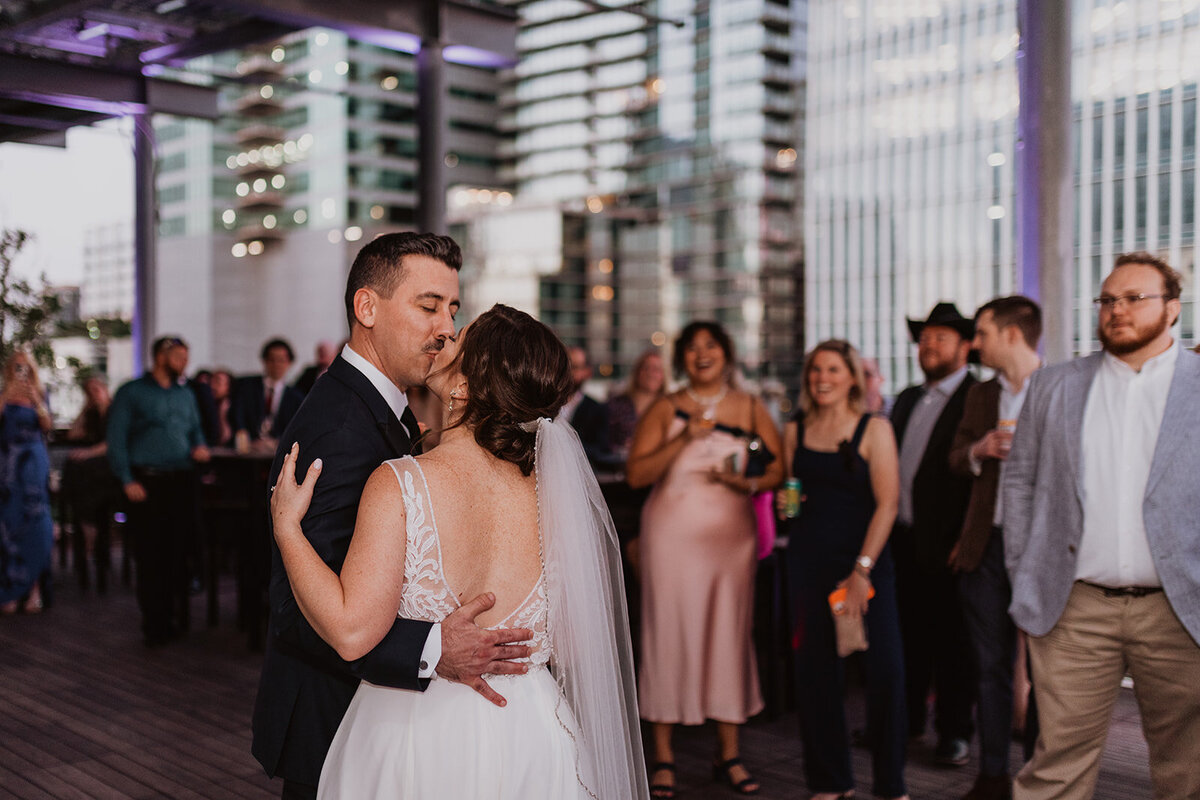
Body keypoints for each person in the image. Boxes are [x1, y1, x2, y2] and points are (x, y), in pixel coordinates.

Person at [270, 304, 647, 799]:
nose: (443, 337)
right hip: (531, 735)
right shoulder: (557, 498)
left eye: (458, 340)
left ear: (466, 387)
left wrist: (287, 530)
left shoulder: (401, 484)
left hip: (416, 736)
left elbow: (350, 632)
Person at [250, 233, 534, 800]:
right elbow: (295, 606)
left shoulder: (383, 410)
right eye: (428, 306)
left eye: (452, 309)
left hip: (395, 726)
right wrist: (432, 650)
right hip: (334, 721)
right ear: (367, 308)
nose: (446, 328)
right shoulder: (339, 426)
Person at [1003, 253, 1200, 800]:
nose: (1117, 310)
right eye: (1109, 299)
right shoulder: (1053, 386)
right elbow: (1019, 482)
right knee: (1056, 765)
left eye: (1135, 298)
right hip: (1074, 609)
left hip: (1181, 610)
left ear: (1172, 308)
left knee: (1189, 766)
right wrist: (1024, 572)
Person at [627, 320, 784, 798]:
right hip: (670, 539)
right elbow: (636, 474)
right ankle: (665, 756)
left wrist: (750, 483)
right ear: (682, 359)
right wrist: (684, 438)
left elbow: (779, 468)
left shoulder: (750, 406)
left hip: (729, 541)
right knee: (667, 635)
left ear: (726, 353)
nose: (701, 354)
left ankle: (729, 753)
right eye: (692, 348)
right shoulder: (665, 407)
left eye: (710, 346)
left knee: (727, 635)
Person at [783, 339, 907, 800]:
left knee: (886, 674)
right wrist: (786, 506)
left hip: (867, 567)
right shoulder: (794, 429)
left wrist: (862, 570)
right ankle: (830, 781)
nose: (822, 378)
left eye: (833, 369)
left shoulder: (875, 429)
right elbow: (794, 500)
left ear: (852, 377)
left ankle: (892, 785)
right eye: (816, 369)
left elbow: (889, 505)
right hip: (808, 563)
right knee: (816, 676)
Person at [948, 296, 1043, 800]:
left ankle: (1038, 777)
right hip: (985, 548)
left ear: (1011, 334)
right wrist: (979, 450)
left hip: (1043, 550)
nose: (975, 343)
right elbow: (955, 458)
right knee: (990, 666)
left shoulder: (1061, 387)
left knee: (1047, 671)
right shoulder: (981, 395)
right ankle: (991, 777)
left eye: (982, 333)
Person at [890, 302, 977, 764]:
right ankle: (905, 725)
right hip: (903, 538)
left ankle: (955, 732)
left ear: (965, 346)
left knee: (953, 644)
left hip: (949, 544)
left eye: (940, 338)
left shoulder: (978, 398)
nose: (929, 345)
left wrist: (967, 538)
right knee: (907, 637)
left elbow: (984, 480)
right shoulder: (905, 398)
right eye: (924, 338)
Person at [107, 336, 210, 644]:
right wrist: (127, 479)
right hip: (146, 482)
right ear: (161, 357)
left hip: (181, 479)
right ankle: (154, 622)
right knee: (151, 554)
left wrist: (200, 448)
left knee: (180, 551)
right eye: (179, 356)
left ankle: (178, 618)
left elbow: (195, 432)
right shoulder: (132, 392)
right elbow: (116, 440)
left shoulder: (185, 395)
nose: (184, 363)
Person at [0, 351, 54, 615]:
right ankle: (10, 589)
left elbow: (47, 426)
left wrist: (37, 402)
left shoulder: (41, 393)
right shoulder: (3, 394)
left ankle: (34, 589)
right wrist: (5, 397)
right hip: (7, 465)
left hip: (33, 464)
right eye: (16, 366)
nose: (21, 370)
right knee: (9, 524)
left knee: (35, 524)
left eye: (25, 366)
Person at [62, 375, 119, 591]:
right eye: (90, 390)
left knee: (81, 466)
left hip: (110, 466)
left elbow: (113, 444)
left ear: (104, 388)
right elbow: (73, 434)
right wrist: (85, 409)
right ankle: (86, 523)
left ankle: (89, 527)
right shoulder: (92, 413)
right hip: (92, 472)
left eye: (96, 388)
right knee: (75, 465)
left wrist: (88, 453)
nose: (94, 393)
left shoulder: (116, 411)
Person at [232, 339, 304, 447]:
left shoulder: (296, 397)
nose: (276, 364)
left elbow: (297, 429)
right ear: (264, 360)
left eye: (281, 360)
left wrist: (278, 443)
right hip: (248, 450)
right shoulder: (246, 387)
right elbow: (236, 415)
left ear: (289, 363)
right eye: (272, 359)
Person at [563, 345, 609, 469]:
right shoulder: (542, 404)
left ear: (587, 372)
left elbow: (599, 449)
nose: (567, 372)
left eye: (574, 367)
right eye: (564, 366)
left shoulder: (597, 410)